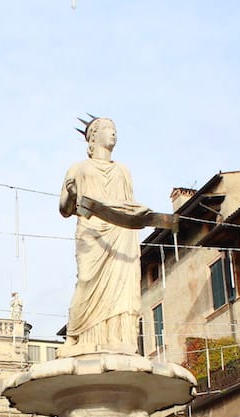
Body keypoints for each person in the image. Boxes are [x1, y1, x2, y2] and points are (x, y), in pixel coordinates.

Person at [58, 117, 172, 357]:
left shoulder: (123, 170)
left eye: (115, 130)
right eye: (109, 129)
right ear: (93, 136)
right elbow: (64, 209)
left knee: (124, 286)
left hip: (122, 233)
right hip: (92, 231)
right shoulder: (79, 168)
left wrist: (139, 211)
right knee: (86, 281)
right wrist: (72, 194)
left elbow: (127, 204)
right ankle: (76, 336)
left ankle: (120, 337)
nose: (114, 134)